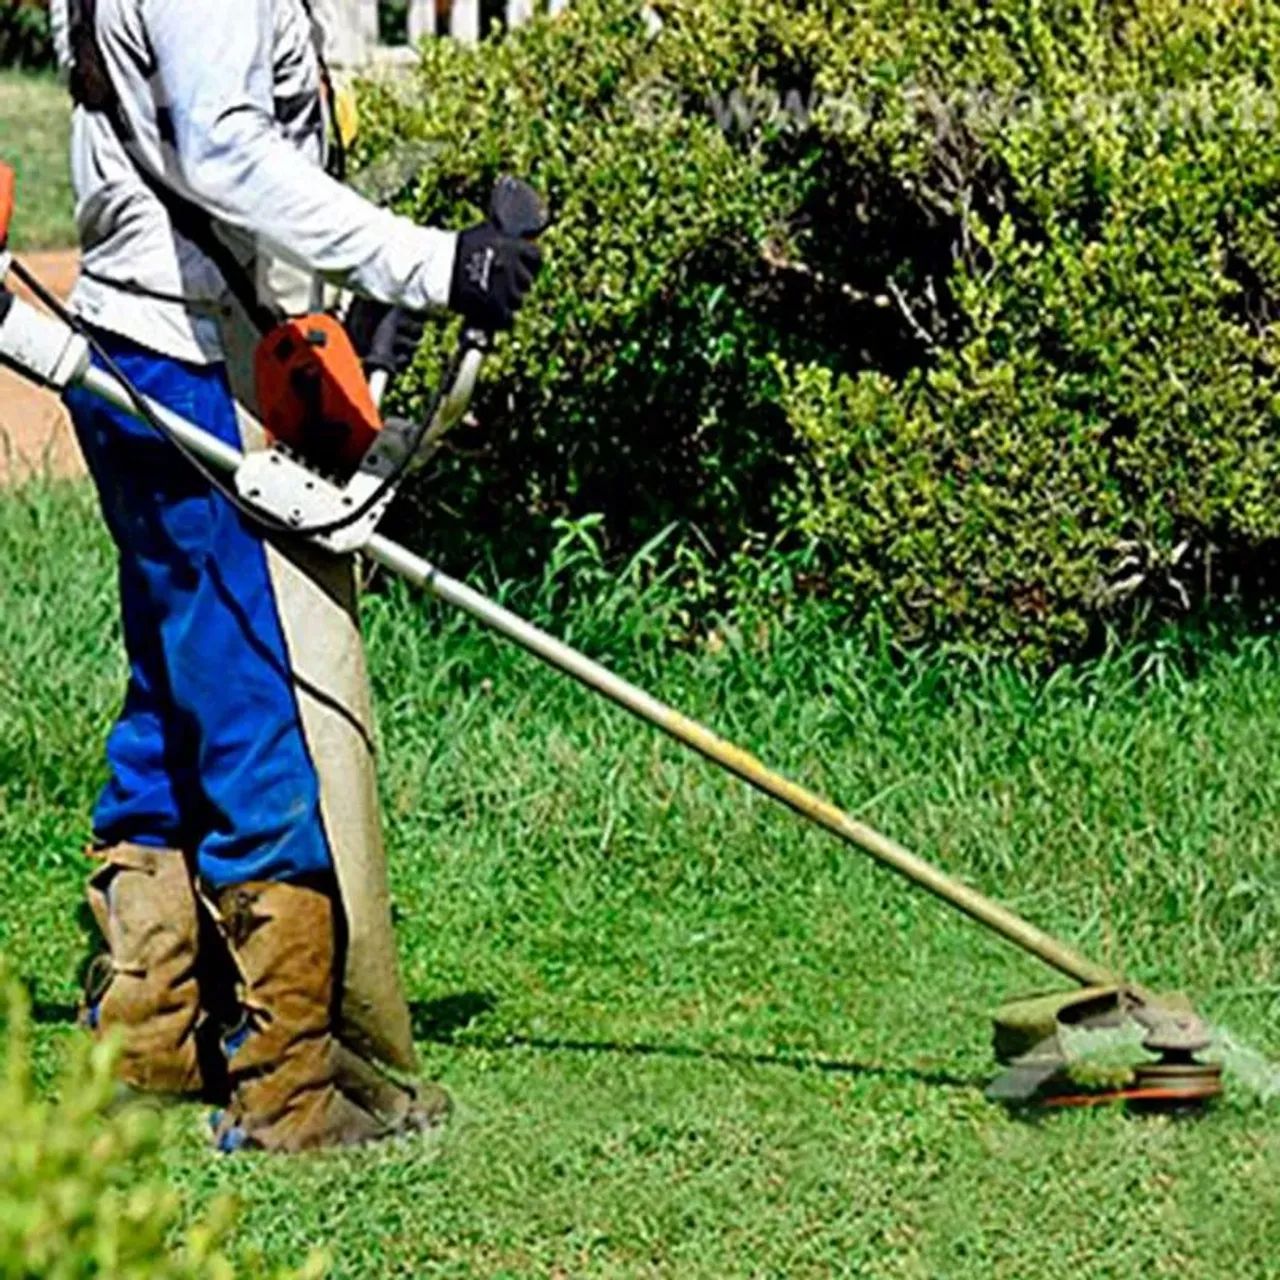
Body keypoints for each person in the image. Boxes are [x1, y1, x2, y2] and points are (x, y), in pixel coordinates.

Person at [50, 0, 542, 1153]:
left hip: (162, 351)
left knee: (177, 698)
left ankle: (149, 1030)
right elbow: (223, 150)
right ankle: (286, 1091)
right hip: (176, 367)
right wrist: (427, 263)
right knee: (250, 707)